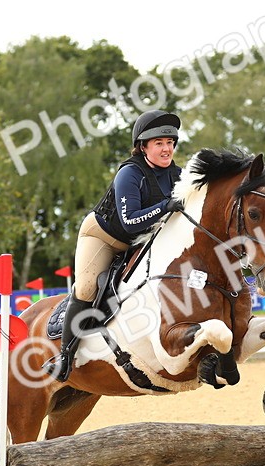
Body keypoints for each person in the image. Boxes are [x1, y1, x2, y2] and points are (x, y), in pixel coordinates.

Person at [44, 109, 185, 381]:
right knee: (86, 287)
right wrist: (165, 206)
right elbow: (130, 222)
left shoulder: (177, 175)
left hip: (141, 240)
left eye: (170, 143)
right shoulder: (130, 174)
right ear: (143, 147)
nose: (167, 149)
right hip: (104, 237)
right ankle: (65, 356)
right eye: (159, 143)